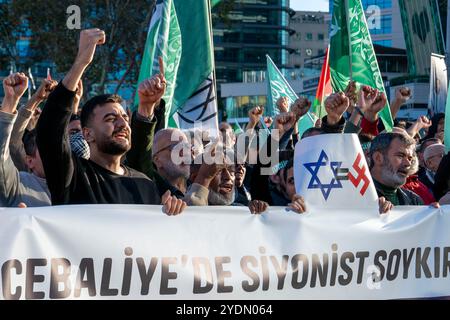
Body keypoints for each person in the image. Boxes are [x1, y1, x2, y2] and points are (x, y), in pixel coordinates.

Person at [36, 29, 185, 215]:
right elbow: (49, 131)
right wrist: (81, 62)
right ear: (87, 134)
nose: (123, 124)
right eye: (111, 119)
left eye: (124, 118)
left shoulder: (144, 184)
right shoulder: (74, 176)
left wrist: (171, 214)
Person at [0, 72, 51, 207]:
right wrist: (11, 101)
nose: (56, 152)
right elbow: (9, 143)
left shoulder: (80, 182)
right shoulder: (18, 185)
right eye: (47, 149)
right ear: (29, 161)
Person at [369, 132, 424, 205]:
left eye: (410, 158)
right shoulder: (356, 196)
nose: (408, 163)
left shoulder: (414, 200)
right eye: (400, 156)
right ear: (378, 158)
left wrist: (433, 212)